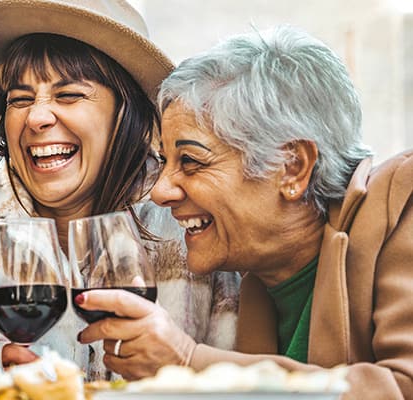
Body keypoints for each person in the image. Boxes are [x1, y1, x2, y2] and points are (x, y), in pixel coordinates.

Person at [75, 24, 413, 397]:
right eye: (164, 160)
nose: (160, 191)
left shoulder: (403, 207)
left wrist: (190, 364)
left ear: (292, 167)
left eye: (190, 161)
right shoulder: (258, 282)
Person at [0, 0, 240, 381]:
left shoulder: (190, 225)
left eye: (68, 95)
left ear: (126, 114)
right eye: (20, 100)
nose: (37, 117)